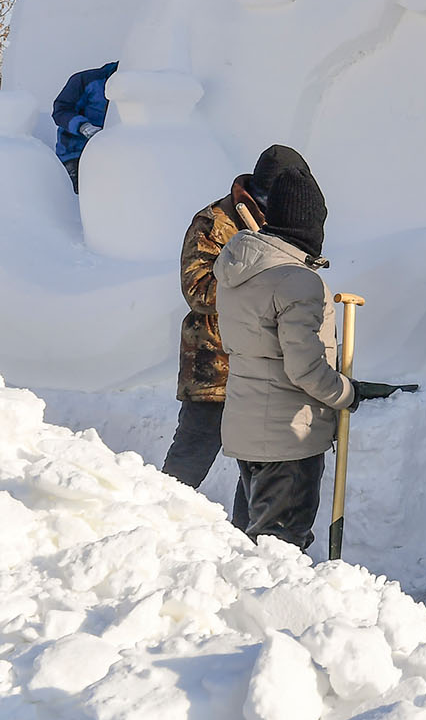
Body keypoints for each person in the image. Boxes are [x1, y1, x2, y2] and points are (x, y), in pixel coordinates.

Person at [216, 158, 397, 551]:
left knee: (252, 547)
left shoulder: (240, 269)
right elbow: (304, 368)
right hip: (288, 435)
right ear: (308, 224)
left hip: (249, 428)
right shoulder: (297, 280)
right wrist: (348, 393)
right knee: (280, 547)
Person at [160, 145, 313, 525]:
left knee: (256, 464)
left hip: (259, 367)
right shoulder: (215, 222)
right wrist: (259, 285)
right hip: (214, 367)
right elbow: (197, 290)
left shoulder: (283, 219)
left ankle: (248, 542)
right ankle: (152, 525)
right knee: (191, 456)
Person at [52, 60, 118, 189]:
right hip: (76, 154)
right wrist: (83, 126)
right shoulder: (86, 80)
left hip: (111, 155)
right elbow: (61, 110)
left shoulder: (136, 87)